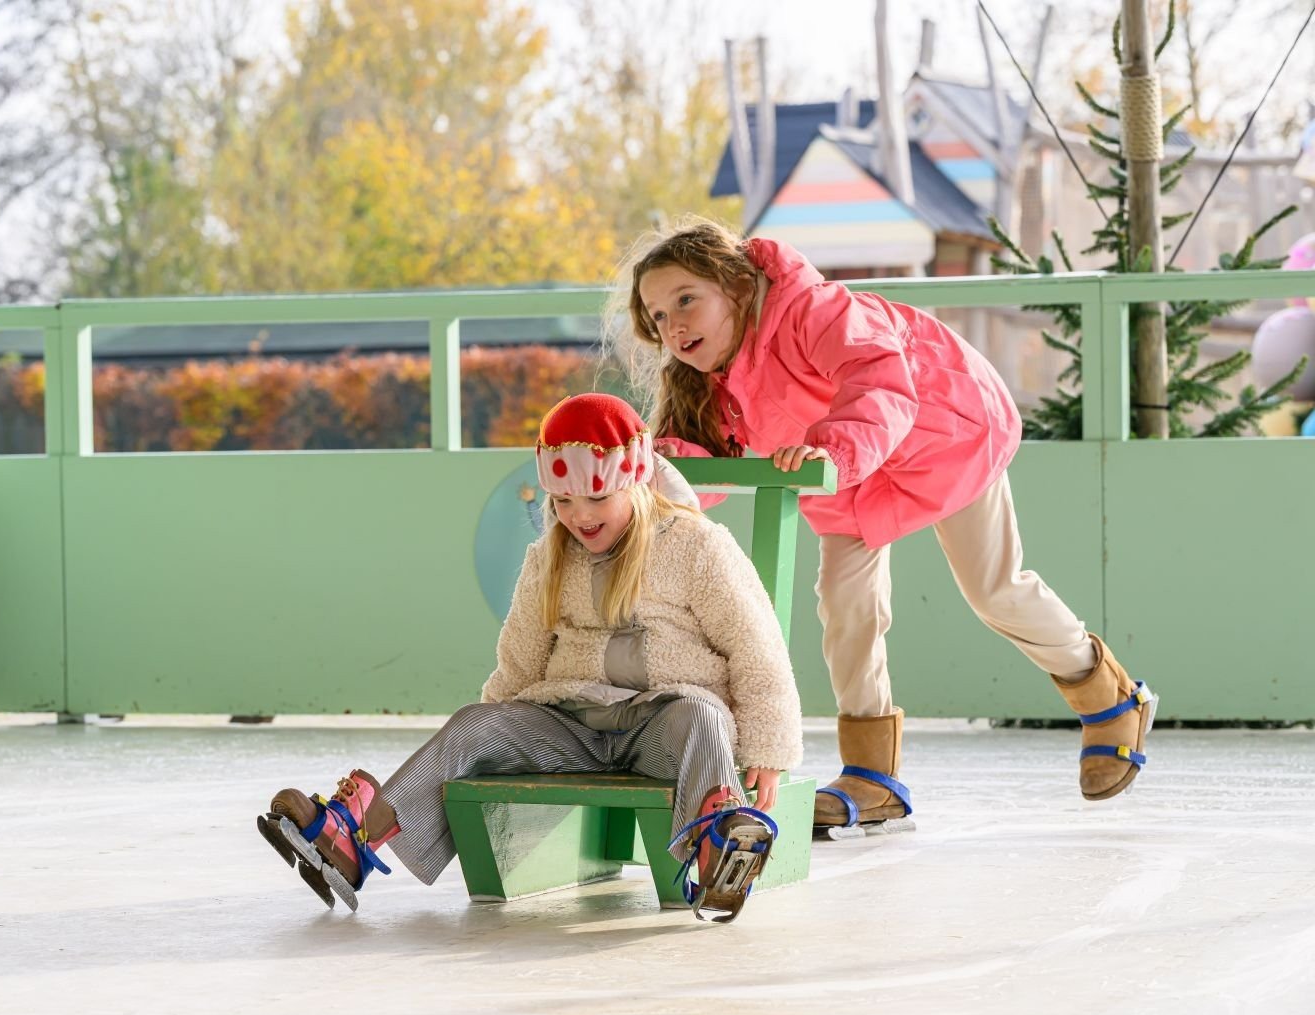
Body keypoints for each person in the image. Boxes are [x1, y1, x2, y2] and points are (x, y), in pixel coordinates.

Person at [611, 218, 1156, 836]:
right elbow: (708, 465)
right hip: (849, 476)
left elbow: (878, 376)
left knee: (994, 588)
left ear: (736, 284)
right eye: (657, 316)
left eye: (687, 300)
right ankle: (872, 776)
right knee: (846, 606)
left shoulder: (812, 311)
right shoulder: (709, 382)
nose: (674, 325)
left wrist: (834, 451)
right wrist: (644, 478)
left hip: (940, 436)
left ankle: (1107, 694)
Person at [258, 392, 802, 922]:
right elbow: (519, 658)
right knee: (474, 724)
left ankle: (718, 846)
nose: (578, 516)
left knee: (701, 716)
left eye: (595, 499)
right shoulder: (549, 557)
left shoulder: (695, 546)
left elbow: (756, 647)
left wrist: (767, 746)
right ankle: (355, 839)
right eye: (563, 502)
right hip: (570, 725)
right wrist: (490, 732)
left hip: (659, 723)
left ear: (635, 483)